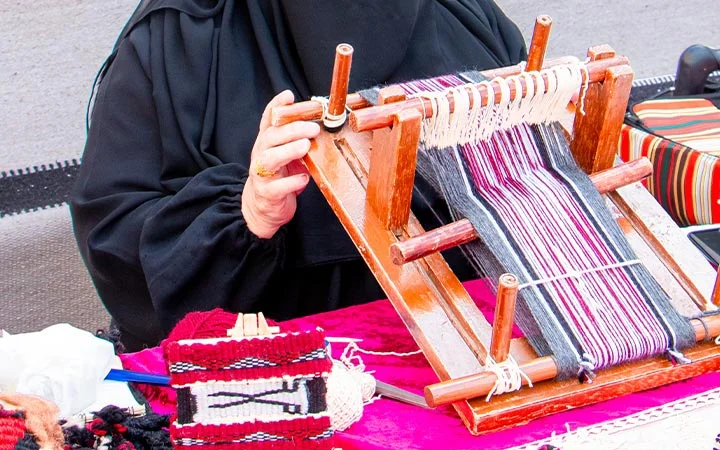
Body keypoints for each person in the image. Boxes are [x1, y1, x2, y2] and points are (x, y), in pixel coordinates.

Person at [71, 0, 527, 352]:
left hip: (477, 357)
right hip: (261, 384)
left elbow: (538, 188)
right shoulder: (180, 38)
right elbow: (113, 231)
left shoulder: (461, 16)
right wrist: (248, 213)